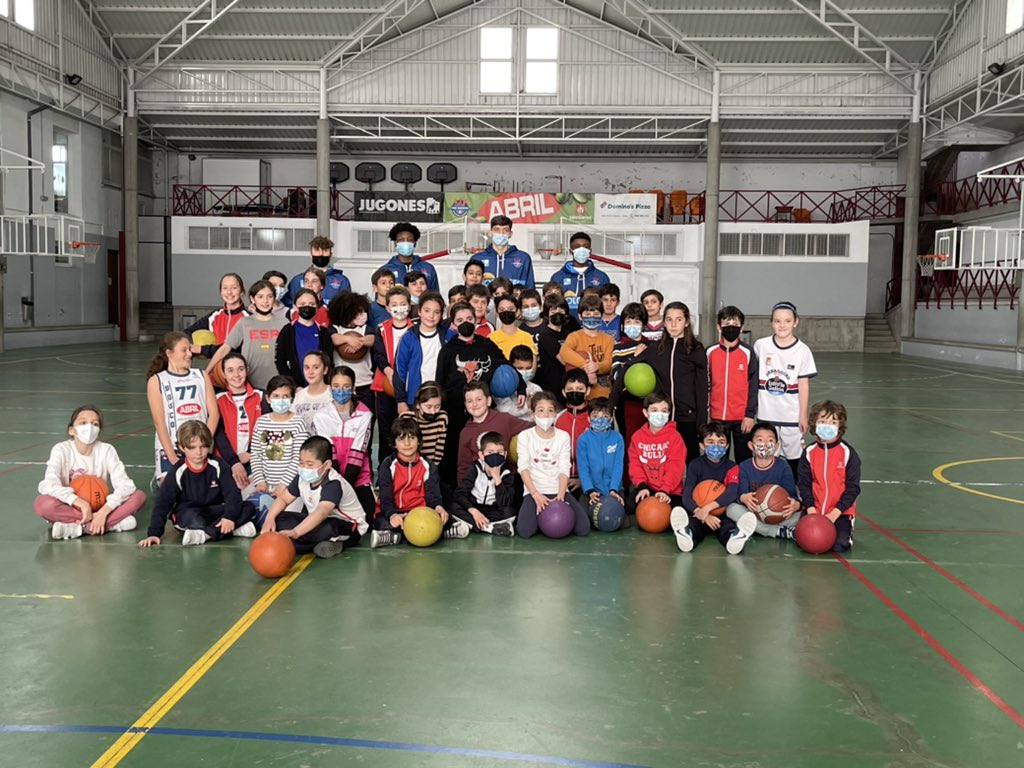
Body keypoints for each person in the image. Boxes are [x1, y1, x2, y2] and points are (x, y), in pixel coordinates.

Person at [138, 421, 257, 547]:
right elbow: (162, 503)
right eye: (192, 447)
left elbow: (232, 494)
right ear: (182, 448)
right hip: (190, 512)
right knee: (192, 520)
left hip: (216, 510)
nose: (199, 452)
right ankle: (231, 530)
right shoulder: (178, 471)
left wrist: (229, 517)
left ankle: (206, 535)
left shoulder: (219, 465)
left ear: (209, 445)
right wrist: (154, 533)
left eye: (203, 446)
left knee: (248, 507)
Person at [35, 405, 146, 539]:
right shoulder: (61, 449)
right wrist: (79, 502)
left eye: (95, 424)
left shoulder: (107, 450)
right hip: (70, 507)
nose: (89, 427)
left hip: (100, 505)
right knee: (43, 504)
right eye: (83, 422)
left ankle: (79, 528)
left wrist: (104, 511)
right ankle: (109, 525)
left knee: (139, 496)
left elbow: (126, 485)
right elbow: (48, 484)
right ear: (72, 430)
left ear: (98, 431)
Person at [260, 435, 368, 558]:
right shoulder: (301, 478)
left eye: (310, 464)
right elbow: (284, 498)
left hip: (348, 526)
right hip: (316, 521)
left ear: (327, 465)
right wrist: (269, 519)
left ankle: (330, 544)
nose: (304, 468)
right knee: (280, 517)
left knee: (327, 528)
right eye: (301, 463)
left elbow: (322, 512)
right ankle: (311, 542)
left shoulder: (333, 483)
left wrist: (296, 532)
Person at [372, 419, 469, 548]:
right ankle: (439, 534)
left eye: (412, 438)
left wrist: (438, 507)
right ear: (394, 444)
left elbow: (433, 495)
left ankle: (394, 537)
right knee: (381, 523)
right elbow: (386, 497)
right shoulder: (388, 465)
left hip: (420, 513)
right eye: (401, 439)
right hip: (395, 511)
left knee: (446, 518)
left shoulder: (428, 465)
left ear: (419, 441)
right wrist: (392, 514)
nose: (407, 443)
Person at [631, 301, 707, 462]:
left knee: (691, 458)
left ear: (686, 322)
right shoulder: (655, 348)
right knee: (662, 460)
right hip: (662, 416)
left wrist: (701, 422)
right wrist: (614, 399)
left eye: (678, 319)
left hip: (687, 417)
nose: (673, 324)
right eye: (669, 319)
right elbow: (629, 368)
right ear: (664, 322)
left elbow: (701, 389)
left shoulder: (696, 349)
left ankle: (692, 488)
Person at [671, 422, 757, 555]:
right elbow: (686, 496)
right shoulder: (695, 465)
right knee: (695, 524)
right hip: (698, 513)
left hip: (721, 513)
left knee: (726, 526)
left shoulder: (732, 467)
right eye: (710, 442)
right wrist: (703, 514)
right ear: (701, 445)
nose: (716, 446)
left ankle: (734, 538)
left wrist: (708, 509)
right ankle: (686, 535)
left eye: (721, 442)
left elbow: (732, 492)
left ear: (727, 446)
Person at [753, 301, 817, 476]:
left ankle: (795, 493)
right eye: (777, 321)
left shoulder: (802, 351)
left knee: (794, 457)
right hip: (766, 415)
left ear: (796, 322)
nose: (782, 325)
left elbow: (804, 384)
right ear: (772, 322)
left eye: (787, 321)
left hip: (790, 415)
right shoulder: (761, 345)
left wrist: (803, 415)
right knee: (765, 455)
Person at [146, 331, 218, 484]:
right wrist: (172, 456)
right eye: (184, 350)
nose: (189, 354)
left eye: (190, 349)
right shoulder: (157, 381)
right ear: (169, 353)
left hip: (198, 447)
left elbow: (214, 413)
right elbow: (159, 422)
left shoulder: (201, 375)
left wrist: (203, 443)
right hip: (171, 447)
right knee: (174, 490)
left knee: (200, 491)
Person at [515, 391, 589, 538]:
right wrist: (536, 495)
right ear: (533, 414)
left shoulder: (563, 436)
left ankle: (547, 520)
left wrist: (561, 496)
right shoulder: (525, 436)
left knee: (583, 528)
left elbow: (564, 468)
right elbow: (523, 468)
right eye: (541, 411)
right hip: (534, 491)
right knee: (525, 531)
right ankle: (544, 521)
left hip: (558, 490)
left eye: (550, 411)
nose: (546, 415)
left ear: (555, 414)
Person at [312, 365, 376, 522]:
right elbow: (329, 454)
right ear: (330, 388)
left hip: (358, 478)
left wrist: (344, 489)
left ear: (353, 388)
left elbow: (357, 455)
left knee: (369, 521)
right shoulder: (321, 416)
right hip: (331, 476)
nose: (341, 391)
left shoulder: (365, 414)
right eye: (336, 386)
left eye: (346, 386)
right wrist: (335, 487)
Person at [720, 421, 802, 541]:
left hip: (777, 515)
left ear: (777, 446)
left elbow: (793, 496)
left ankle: (757, 528)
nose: (765, 444)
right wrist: (743, 498)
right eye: (760, 440)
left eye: (770, 440)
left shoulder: (783, 466)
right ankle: (776, 531)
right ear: (751, 445)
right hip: (754, 513)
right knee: (731, 509)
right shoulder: (744, 466)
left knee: (802, 515)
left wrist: (795, 505)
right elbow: (741, 494)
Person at [797, 400, 860, 552]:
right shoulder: (809, 452)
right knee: (806, 541)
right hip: (814, 510)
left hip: (839, 512)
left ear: (840, 426)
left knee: (839, 545)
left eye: (833, 422)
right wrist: (811, 510)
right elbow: (804, 484)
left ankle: (847, 531)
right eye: (823, 421)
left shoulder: (848, 453)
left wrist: (835, 513)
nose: (827, 425)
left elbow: (853, 488)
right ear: (814, 423)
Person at [207, 280, 287, 391]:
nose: (265, 301)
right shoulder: (244, 322)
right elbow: (225, 348)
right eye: (260, 296)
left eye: (269, 296)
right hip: (250, 385)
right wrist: (206, 372)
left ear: (274, 298)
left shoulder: (284, 322)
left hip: (279, 385)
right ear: (252, 299)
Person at [248, 375, 308, 516]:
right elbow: (256, 455)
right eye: (276, 396)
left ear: (292, 399)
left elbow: (298, 459)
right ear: (268, 399)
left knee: (286, 517)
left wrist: (283, 485)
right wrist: (260, 482)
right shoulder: (261, 422)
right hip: (264, 483)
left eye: (285, 396)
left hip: (290, 486)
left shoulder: (298, 423)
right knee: (248, 508)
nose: (281, 401)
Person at [706, 305, 757, 463]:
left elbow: (753, 385)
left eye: (735, 324)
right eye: (726, 323)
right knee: (718, 457)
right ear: (718, 326)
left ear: (742, 328)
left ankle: (743, 487)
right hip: (717, 417)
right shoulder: (710, 352)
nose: (731, 328)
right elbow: (705, 384)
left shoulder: (748, 352)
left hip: (742, 419)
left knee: (744, 458)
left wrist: (749, 414)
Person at [626, 392, 686, 521]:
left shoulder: (675, 438)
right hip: (647, 487)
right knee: (629, 507)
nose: (659, 414)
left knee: (675, 513)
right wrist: (642, 486)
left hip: (670, 490)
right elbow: (635, 465)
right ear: (645, 413)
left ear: (669, 413)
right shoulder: (637, 437)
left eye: (664, 411)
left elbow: (675, 467)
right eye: (654, 410)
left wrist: (665, 490)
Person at [456, 381, 531, 482]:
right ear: (465, 404)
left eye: (479, 399)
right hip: (480, 487)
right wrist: (462, 494)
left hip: (508, 482)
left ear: (488, 401)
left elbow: (532, 429)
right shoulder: (465, 433)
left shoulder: (505, 419)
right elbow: (463, 467)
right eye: (469, 401)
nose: (474, 404)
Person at [371, 286, 413, 465]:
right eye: (394, 304)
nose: (399, 308)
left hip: (410, 386)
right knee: (386, 430)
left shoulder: (416, 329)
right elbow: (378, 355)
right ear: (387, 308)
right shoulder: (381, 329)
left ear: (409, 306)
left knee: (410, 429)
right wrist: (390, 373)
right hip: (385, 386)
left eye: (403, 304)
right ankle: (385, 471)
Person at [213, 352, 265, 490]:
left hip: (255, 459)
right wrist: (234, 462)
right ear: (223, 373)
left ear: (247, 370)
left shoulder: (261, 396)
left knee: (254, 494)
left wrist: (250, 453)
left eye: (240, 369)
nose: (236, 375)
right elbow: (218, 434)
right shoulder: (217, 399)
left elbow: (265, 429)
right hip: (226, 460)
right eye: (230, 370)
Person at [451, 431, 517, 536]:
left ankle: (471, 526)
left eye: (499, 452)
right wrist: (474, 511)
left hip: (494, 511)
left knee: (510, 513)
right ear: (481, 455)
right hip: (475, 508)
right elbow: (460, 493)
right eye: (490, 453)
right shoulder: (475, 468)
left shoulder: (507, 472)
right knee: (454, 507)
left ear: (505, 455)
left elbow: (505, 502)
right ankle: (491, 528)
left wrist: (497, 478)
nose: (495, 456)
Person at [575, 397, 626, 530]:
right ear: (588, 418)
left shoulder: (617, 438)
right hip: (592, 490)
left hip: (613, 489)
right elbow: (583, 468)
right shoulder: (583, 440)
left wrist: (614, 490)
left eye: (605, 415)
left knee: (623, 523)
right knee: (583, 523)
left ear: (610, 419)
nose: (600, 418)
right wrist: (590, 490)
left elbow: (618, 465)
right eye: (595, 415)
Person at [394, 291, 446, 412]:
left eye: (436, 312)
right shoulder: (408, 337)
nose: (431, 316)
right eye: (427, 311)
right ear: (419, 311)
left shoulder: (448, 336)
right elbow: (399, 370)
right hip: (414, 399)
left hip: (440, 399)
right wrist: (401, 400)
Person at [275, 288, 335, 387]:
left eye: (311, 304)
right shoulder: (287, 331)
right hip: (295, 388)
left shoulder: (323, 332)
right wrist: (293, 386)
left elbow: (329, 362)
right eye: (302, 304)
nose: (307, 307)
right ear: (295, 307)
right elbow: (280, 361)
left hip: (320, 387)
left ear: (317, 307)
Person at [327, 291, 375, 413]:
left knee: (367, 417)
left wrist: (359, 342)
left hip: (365, 383)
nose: (363, 315)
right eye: (358, 312)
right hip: (342, 386)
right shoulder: (335, 329)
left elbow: (372, 339)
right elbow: (334, 338)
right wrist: (348, 339)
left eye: (364, 311)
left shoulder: (365, 329)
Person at [560, 294, 614, 399]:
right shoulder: (574, 336)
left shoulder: (609, 339)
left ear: (602, 315)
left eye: (596, 314)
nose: (592, 317)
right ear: (580, 316)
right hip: (580, 394)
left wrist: (597, 366)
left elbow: (610, 362)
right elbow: (564, 351)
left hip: (604, 393)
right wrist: (587, 366)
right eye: (587, 314)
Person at [610, 302, 648, 444]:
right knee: (629, 439)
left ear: (644, 324)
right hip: (625, 400)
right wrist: (634, 358)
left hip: (647, 401)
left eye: (637, 321)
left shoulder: (652, 345)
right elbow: (616, 375)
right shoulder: (619, 346)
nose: (632, 325)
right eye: (628, 321)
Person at [185, 272, 248, 357]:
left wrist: (203, 349)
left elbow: (235, 349)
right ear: (220, 292)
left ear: (242, 291)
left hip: (240, 369)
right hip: (215, 369)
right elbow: (187, 333)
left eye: (234, 288)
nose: (229, 292)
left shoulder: (249, 318)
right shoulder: (214, 316)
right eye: (225, 288)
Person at [549, 232, 610, 315]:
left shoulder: (601, 277)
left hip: (592, 324)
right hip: (565, 325)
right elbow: (552, 305)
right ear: (571, 251)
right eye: (577, 247)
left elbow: (606, 305)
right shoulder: (558, 277)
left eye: (586, 247)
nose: (582, 250)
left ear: (590, 251)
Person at [287, 235, 350, 306]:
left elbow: (346, 307)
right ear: (311, 253)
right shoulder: (297, 280)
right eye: (317, 250)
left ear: (330, 254)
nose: (321, 254)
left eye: (325, 250)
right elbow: (290, 306)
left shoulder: (341, 280)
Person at [555, 369, 591, 494]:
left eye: (580, 389)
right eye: (570, 390)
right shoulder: (557, 418)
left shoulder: (596, 418)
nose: (575, 392)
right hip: (560, 480)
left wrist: (583, 480)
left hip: (591, 481)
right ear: (564, 393)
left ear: (588, 391)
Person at [475, 215, 535, 287]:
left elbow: (530, 289)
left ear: (510, 234)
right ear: (490, 233)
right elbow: (471, 289)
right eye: (497, 230)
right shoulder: (477, 258)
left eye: (505, 230)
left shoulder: (523, 258)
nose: (501, 233)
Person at [398, 382, 447, 468]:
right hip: (408, 466)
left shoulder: (442, 418)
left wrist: (432, 470)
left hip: (431, 467)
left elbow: (439, 450)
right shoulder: (406, 417)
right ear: (418, 405)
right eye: (428, 407)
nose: (433, 411)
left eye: (437, 406)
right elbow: (401, 447)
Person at [381, 222, 439, 291]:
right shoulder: (386, 270)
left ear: (415, 243)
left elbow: (435, 297)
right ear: (395, 243)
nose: (405, 243)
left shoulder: (428, 268)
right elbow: (380, 299)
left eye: (409, 240)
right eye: (401, 240)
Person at [535, 294, 571, 398]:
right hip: (552, 387)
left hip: (567, 384)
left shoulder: (569, 334)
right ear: (546, 315)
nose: (557, 314)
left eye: (561, 310)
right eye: (553, 311)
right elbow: (564, 360)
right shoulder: (545, 335)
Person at [494, 344, 540, 420]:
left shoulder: (536, 388)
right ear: (511, 366)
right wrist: (528, 405)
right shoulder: (502, 388)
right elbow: (505, 412)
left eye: (528, 368)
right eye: (520, 368)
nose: (524, 372)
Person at [292, 351, 333, 432]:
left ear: (325, 370)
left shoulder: (333, 394)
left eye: (316, 367)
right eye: (306, 367)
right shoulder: (298, 396)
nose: (310, 372)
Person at [490, 294, 536, 360]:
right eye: (502, 309)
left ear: (517, 311)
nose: (506, 312)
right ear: (497, 313)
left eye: (510, 309)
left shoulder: (526, 336)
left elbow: (533, 361)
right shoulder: (491, 338)